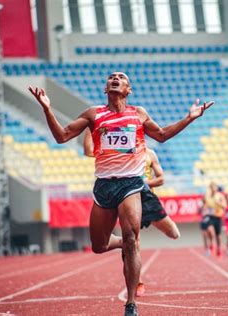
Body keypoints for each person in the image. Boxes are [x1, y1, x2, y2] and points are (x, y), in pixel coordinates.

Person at [29, 72, 213, 316]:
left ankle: (131, 303)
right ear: (106, 88)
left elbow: (162, 135)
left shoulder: (138, 114)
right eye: (111, 77)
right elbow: (62, 136)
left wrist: (189, 118)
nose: (115, 78)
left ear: (129, 89)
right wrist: (46, 109)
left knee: (132, 238)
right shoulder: (93, 114)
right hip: (104, 185)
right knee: (98, 245)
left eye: (121, 77)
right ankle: (121, 244)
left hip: (131, 183)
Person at [83, 129, 180, 296]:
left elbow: (161, 178)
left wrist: (143, 182)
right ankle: (138, 282)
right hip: (125, 196)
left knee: (174, 233)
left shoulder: (149, 154)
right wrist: (90, 128)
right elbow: (89, 151)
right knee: (133, 242)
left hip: (147, 197)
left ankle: (126, 245)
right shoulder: (118, 152)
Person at [201, 182, 226, 258]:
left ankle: (219, 248)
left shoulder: (220, 196)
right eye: (211, 187)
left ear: (216, 188)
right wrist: (205, 208)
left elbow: (225, 206)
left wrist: (219, 203)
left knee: (218, 235)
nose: (213, 189)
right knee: (209, 229)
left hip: (218, 216)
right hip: (210, 216)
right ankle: (211, 243)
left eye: (214, 187)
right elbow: (204, 202)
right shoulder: (207, 196)